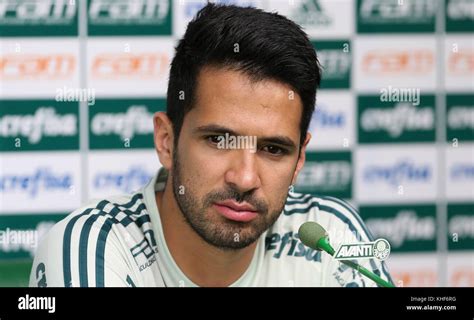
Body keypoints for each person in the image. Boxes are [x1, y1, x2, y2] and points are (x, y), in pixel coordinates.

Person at [30, 3, 392, 287]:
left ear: (299, 160)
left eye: (273, 149)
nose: (245, 177)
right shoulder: (92, 247)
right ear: (167, 141)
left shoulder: (329, 232)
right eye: (219, 140)